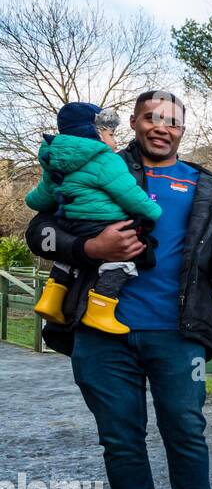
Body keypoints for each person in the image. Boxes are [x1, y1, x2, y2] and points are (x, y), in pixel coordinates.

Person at [25, 90, 212, 489]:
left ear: (183, 129)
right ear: (133, 121)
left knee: (186, 435)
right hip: (100, 333)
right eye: (151, 117)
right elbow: (37, 230)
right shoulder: (94, 161)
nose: (161, 127)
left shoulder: (209, 187)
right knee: (121, 441)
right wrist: (89, 246)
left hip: (178, 335)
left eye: (172, 121)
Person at [28, 103, 161, 334]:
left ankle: (51, 297)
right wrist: (153, 211)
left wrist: (36, 201)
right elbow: (129, 194)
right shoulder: (107, 160)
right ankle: (99, 309)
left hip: (70, 222)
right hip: (101, 223)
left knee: (67, 260)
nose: (115, 141)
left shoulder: (55, 164)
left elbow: (40, 198)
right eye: (111, 134)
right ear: (95, 132)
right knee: (124, 261)